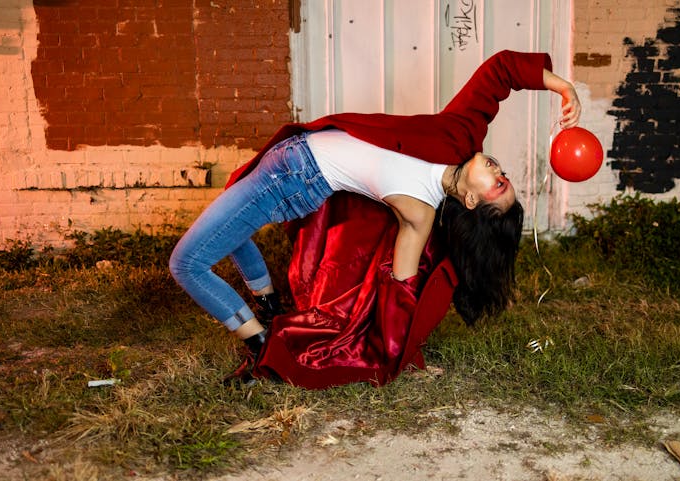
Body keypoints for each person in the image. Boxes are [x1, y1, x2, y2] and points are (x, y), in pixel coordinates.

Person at [169, 50, 580, 388]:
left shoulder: (419, 215)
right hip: (289, 156)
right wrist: (563, 87)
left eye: (498, 185)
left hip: (288, 182)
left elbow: (399, 296)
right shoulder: (459, 134)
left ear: (472, 201)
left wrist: (402, 354)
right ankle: (267, 303)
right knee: (230, 225)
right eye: (503, 175)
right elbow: (500, 71)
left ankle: (259, 342)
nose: (499, 171)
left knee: (187, 263)